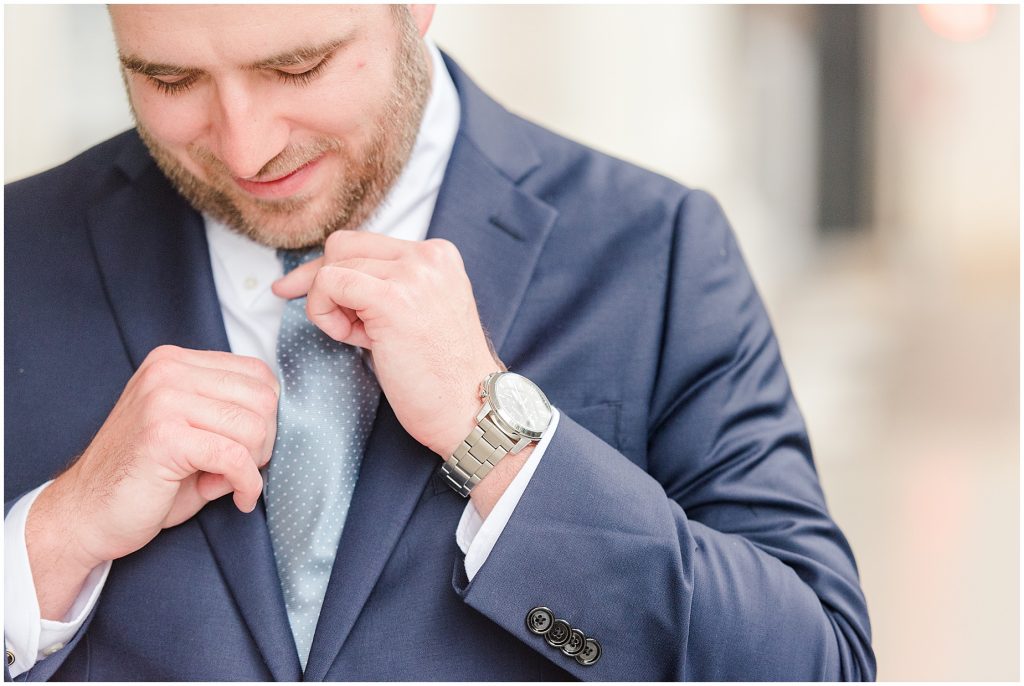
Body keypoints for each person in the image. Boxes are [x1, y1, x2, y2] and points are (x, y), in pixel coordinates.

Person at [4, 4, 875, 681]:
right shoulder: (17, 255)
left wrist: (497, 439)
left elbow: (816, 666)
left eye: (297, 66)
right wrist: (54, 538)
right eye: (169, 78)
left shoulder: (657, 249)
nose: (247, 145)